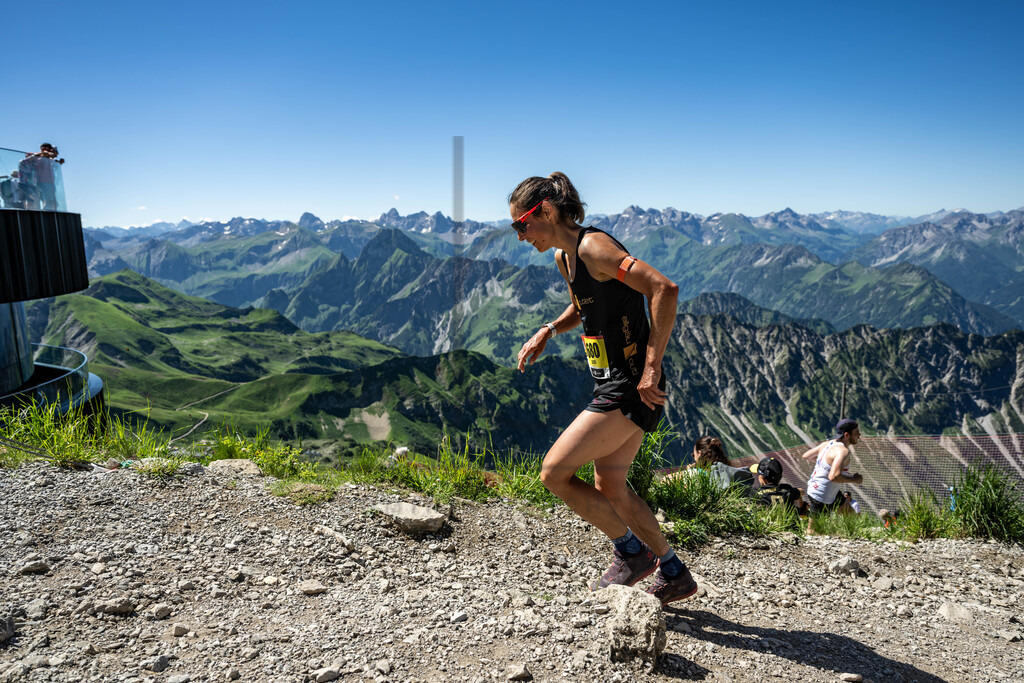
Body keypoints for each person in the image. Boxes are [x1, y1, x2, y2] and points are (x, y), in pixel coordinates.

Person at [511, 172, 696, 606]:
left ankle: (631, 553)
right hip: (614, 382)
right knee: (611, 484)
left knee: (554, 473)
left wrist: (651, 367)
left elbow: (663, 289)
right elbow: (585, 305)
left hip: (631, 385)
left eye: (522, 225)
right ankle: (673, 571)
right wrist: (549, 330)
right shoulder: (566, 258)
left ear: (548, 212)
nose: (521, 237)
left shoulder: (593, 247)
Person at [802, 418, 863, 531]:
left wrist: (824, 464)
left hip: (825, 490)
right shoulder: (843, 451)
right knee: (814, 531)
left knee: (851, 516)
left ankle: (848, 537)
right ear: (846, 435)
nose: (859, 435)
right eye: (856, 432)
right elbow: (834, 476)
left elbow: (806, 456)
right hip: (821, 495)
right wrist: (855, 479)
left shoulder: (827, 444)